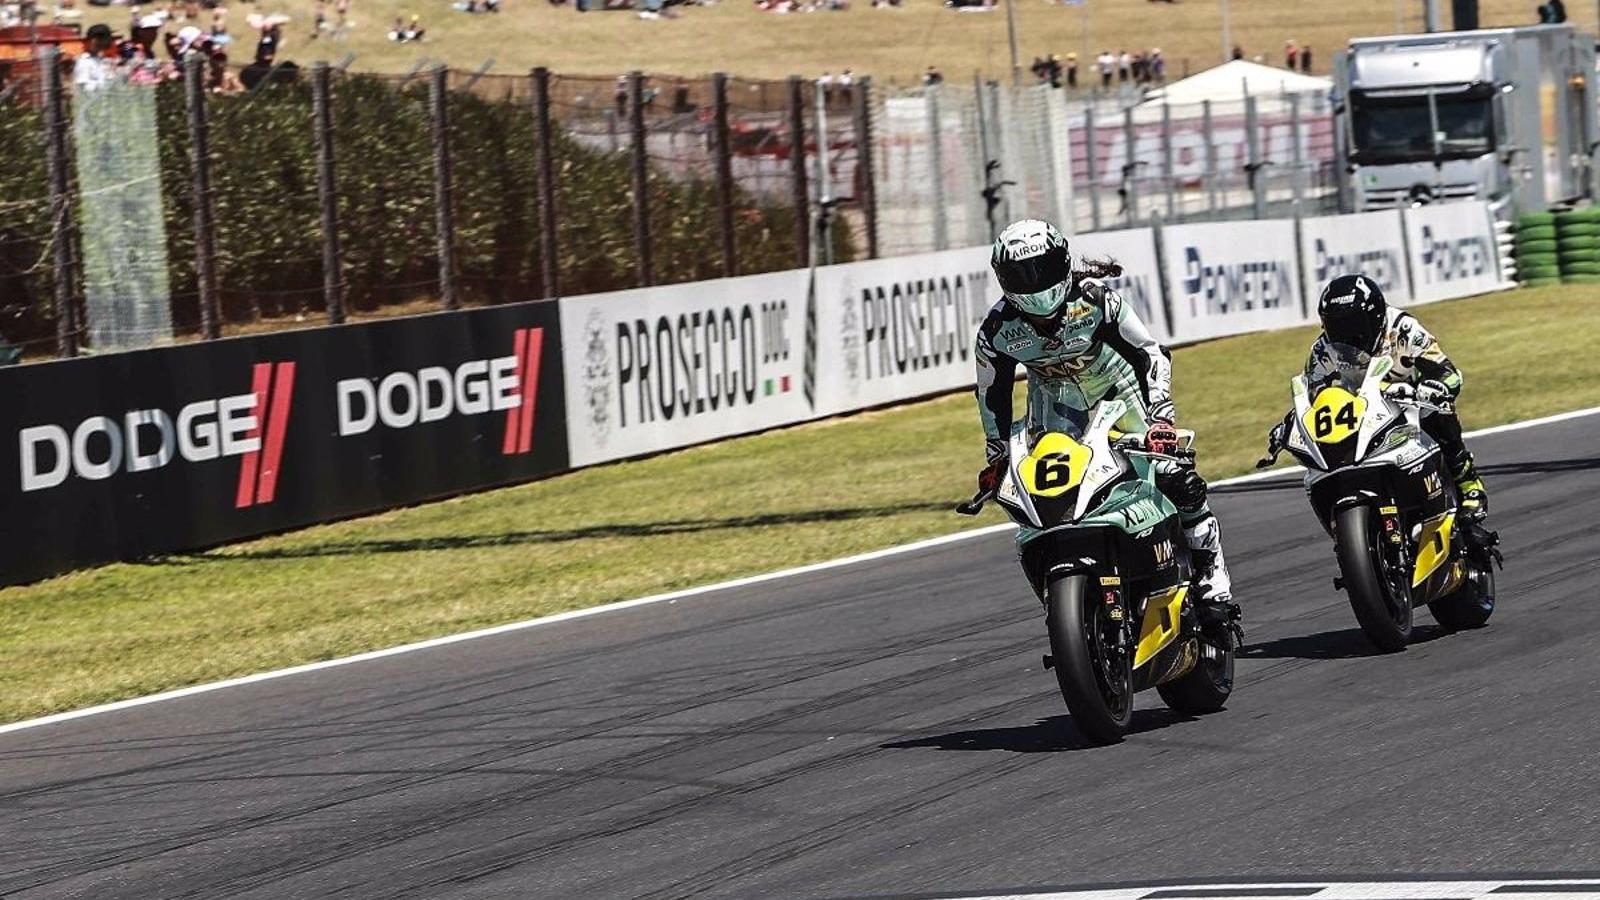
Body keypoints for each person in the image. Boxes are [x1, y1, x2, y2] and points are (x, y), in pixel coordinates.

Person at [971, 219, 1240, 622]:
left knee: (1176, 476)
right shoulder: (996, 331)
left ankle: (1213, 583)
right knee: (1044, 501)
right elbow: (991, 395)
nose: (1033, 283)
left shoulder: (1098, 301)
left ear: (1062, 263)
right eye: (1020, 276)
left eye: (1041, 270)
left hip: (1122, 401)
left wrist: (1160, 420)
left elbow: (1150, 354)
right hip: (1056, 416)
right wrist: (997, 456)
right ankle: (1073, 600)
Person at [1278, 274, 1489, 520]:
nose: (1346, 335)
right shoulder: (1323, 349)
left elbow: (1449, 373)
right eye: (1337, 327)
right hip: (1363, 412)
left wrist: (1435, 387)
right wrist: (1293, 423)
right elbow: (1316, 398)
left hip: (1410, 401)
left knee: (1438, 411)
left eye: (1354, 325)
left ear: (1376, 316)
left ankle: (1467, 482)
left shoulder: (1403, 329)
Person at [74, 23, 116, 91]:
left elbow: (111, 79)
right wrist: (102, 85)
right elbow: (83, 86)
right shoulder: (84, 61)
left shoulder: (106, 60)